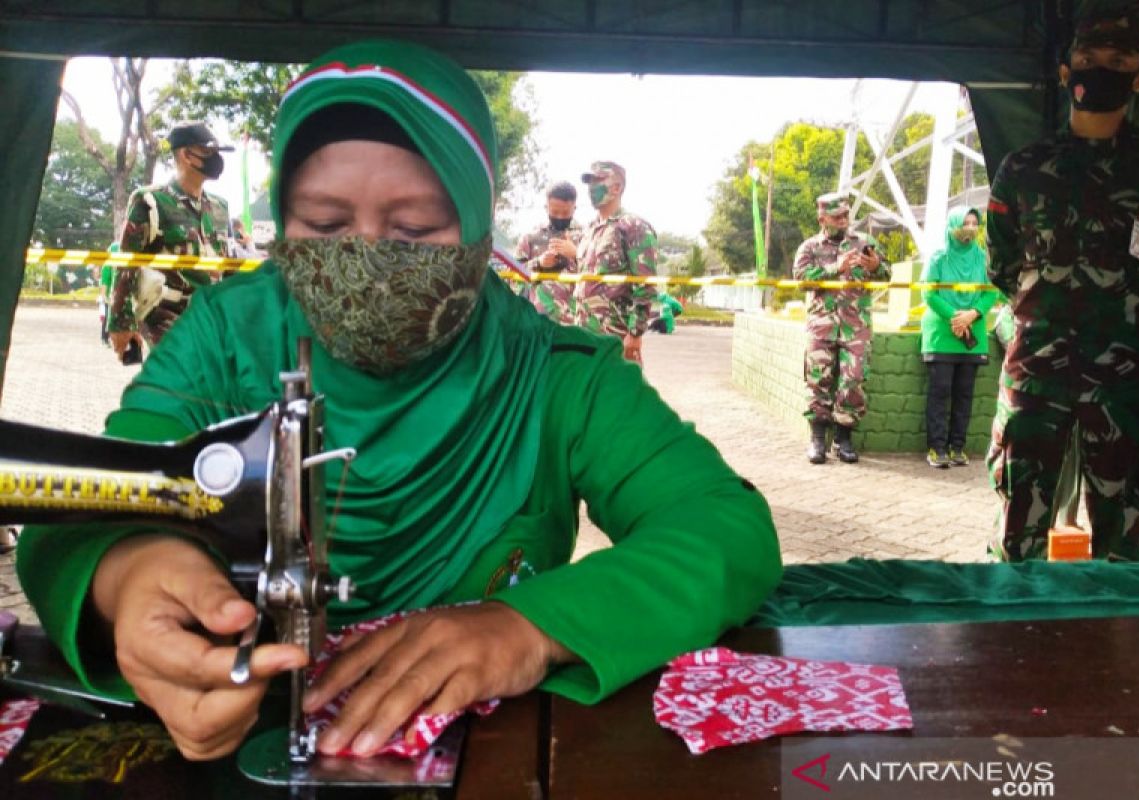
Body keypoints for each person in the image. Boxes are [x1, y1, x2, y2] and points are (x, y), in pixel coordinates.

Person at [16, 40, 781, 763]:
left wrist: (530, 626)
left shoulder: (556, 375)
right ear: (283, 219)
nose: (367, 257)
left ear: (481, 229)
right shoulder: (224, 338)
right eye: (324, 225)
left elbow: (725, 528)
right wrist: (132, 573)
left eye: (414, 229)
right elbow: (82, 504)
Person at [985, 13, 1139, 562]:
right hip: (1036, 374)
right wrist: (1047, 307)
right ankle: (1013, 642)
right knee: (1018, 538)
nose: (1100, 72)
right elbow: (1003, 261)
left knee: (1124, 542)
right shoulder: (1025, 167)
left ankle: (1116, 647)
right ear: (1065, 72)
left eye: (1118, 63)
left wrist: (1138, 303)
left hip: (1127, 377)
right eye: (1088, 61)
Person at [106, 121, 233, 359]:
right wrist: (121, 322)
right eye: (208, 151)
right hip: (164, 313)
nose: (216, 158)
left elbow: (228, 264)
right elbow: (126, 263)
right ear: (186, 154)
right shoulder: (151, 201)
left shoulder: (219, 207)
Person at [792, 192, 890, 465]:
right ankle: (817, 440)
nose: (844, 221)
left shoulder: (864, 243)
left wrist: (876, 265)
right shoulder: (809, 248)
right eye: (837, 217)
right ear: (822, 217)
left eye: (846, 215)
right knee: (817, 380)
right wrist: (836, 267)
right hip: (821, 327)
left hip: (855, 327)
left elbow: (887, 273)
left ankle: (843, 437)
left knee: (854, 379)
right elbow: (801, 279)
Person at [919, 207, 996, 468]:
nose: (971, 228)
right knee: (940, 391)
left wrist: (972, 315)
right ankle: (937, 448)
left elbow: (991, 293)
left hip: (972, 336)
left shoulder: (983, 259)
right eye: (965, 222)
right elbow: (929, 294)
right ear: (952, 225)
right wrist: (955, 316)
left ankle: (957, 447)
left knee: (965, 394)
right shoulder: (939, 258)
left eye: (975, 223)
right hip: (943, 334)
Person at [575, 161, 658, 365]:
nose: (591, 187)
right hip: (584, 334)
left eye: (598, 180)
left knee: (618, 394)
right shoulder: (589, 230)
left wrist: (635, 333)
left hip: (615, 336)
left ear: (617, 187)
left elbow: (645, 284)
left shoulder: (632, 226)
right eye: (589, 182)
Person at [515, 181, 583, 324]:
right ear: (546, 207)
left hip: (576, 320)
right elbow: (513, 276)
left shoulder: (587, 236)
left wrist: (577, 255)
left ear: (574, 208)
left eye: (565, 212)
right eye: (554, 212)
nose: (559, 217)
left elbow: (598, 275)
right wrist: (539, 263)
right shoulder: (531, 237)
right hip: (538, 320)